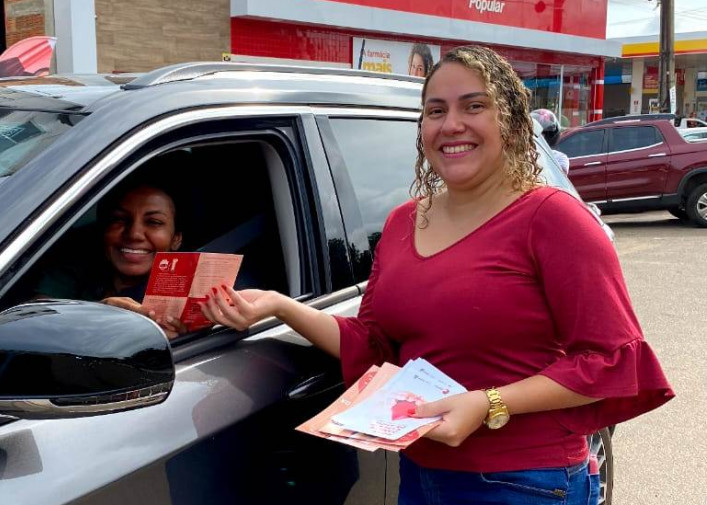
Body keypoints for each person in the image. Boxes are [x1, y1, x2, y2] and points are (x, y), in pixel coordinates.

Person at [199, 45, 673, 504]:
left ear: (509, 121)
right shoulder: (404, 221)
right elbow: (374, 343)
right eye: (435, 110)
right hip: (422, 472)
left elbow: (611, 360)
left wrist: (489, 404)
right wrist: (280, 306)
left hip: (524, 482)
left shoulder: (553, 219)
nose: (452, 125)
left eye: (474, 106)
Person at [34, 155, 189, 336]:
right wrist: (97, 313)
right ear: (103, 228)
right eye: (119, 219)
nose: (134, 234)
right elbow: (30, 317)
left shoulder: (193, 296)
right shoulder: (80, 269)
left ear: (176, 238)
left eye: (153, 222)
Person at [530, 108, 570, 174]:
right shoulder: (522, 155)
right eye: (533, 134)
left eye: (541, 135)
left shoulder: (559, 157)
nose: (535, 137)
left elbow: (558, 177)